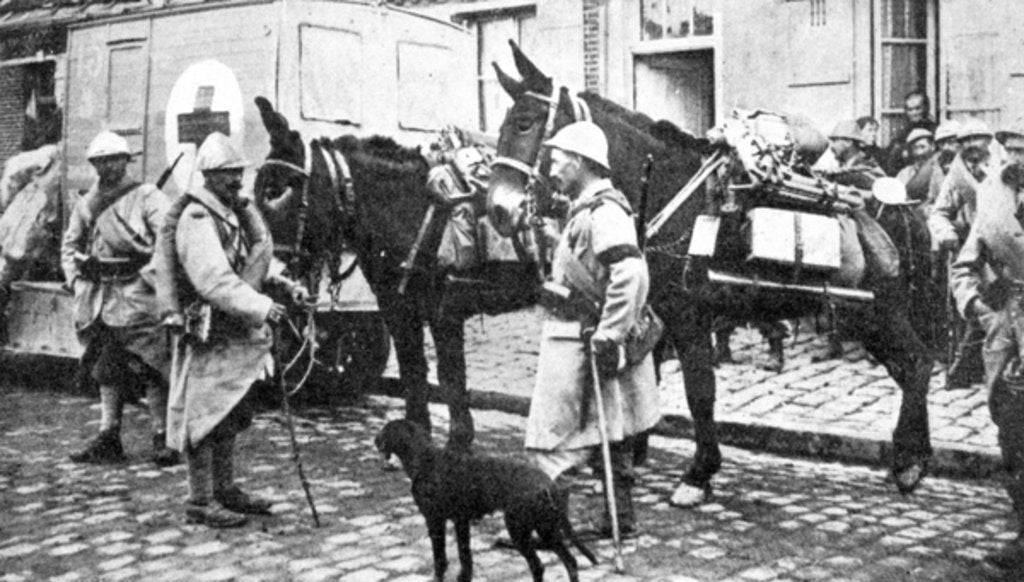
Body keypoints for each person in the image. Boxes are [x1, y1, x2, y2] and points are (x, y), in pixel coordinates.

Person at [525, 121, 660, 539]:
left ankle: (551, 527)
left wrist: (609, 335)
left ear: (581, 161)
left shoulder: (605, 210)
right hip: (580, 336)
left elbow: (631, 273)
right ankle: (618, 519)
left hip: (581, 340)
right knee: (610, 430)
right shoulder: (588, 209)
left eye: (557, 159)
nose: (551, 168)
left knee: (552, 437)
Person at [164, 132, 305, 528]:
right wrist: (262, 307)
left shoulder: (232, 211)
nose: (236, 181)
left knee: (228, 411)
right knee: (203, 416)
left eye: (238, 172)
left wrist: (283, 284)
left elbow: (250, 261)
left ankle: (225, 489)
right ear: (207, 175)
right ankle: (200, 500)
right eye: (227, 174)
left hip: (234, 330)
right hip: (209, 331)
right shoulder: (197, 216)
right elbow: (213, 280)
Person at [60, 130, 179, 467]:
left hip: (139, 295)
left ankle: (162, 437)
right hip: (100, 297)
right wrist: (75, 279)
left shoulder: (148, 196)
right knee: (106, 369)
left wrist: (150, 278)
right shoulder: (87, 203)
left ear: (126, 161)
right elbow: (70, 246)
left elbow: (167, 241)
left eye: (113, 159)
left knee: (152, 365)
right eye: (100, 161)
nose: (107, 167)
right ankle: (108, 436)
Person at [950, 117, 1024, 571]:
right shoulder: (993, 191)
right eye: (1011, 150)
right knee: (1010, 429)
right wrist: (976, 304)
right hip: (1004, 325)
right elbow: (966, 263)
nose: (1017, 160)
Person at [930, 118, 995, 388]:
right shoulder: (957, 176)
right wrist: (946, 233)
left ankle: (973, 368)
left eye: (975, 139)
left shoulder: (1004, 168)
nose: (969, 146)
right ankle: (971, 367)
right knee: (976, 306)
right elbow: (939, 213)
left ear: (989, 140)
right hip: (974, 249)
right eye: (964, 141)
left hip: (1008, 246)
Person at [884, 91, 937, 175]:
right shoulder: (901, 135)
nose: (914, 113)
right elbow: (891, 163)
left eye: (918, 108)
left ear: (926, 108)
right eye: (910, 109)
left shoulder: (936, 132)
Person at [896, 128, 939, 205]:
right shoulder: (905, 173)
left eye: (922, 147)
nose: (919, 153)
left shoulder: (939, 170)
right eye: (915, 148)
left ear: (932, 146)